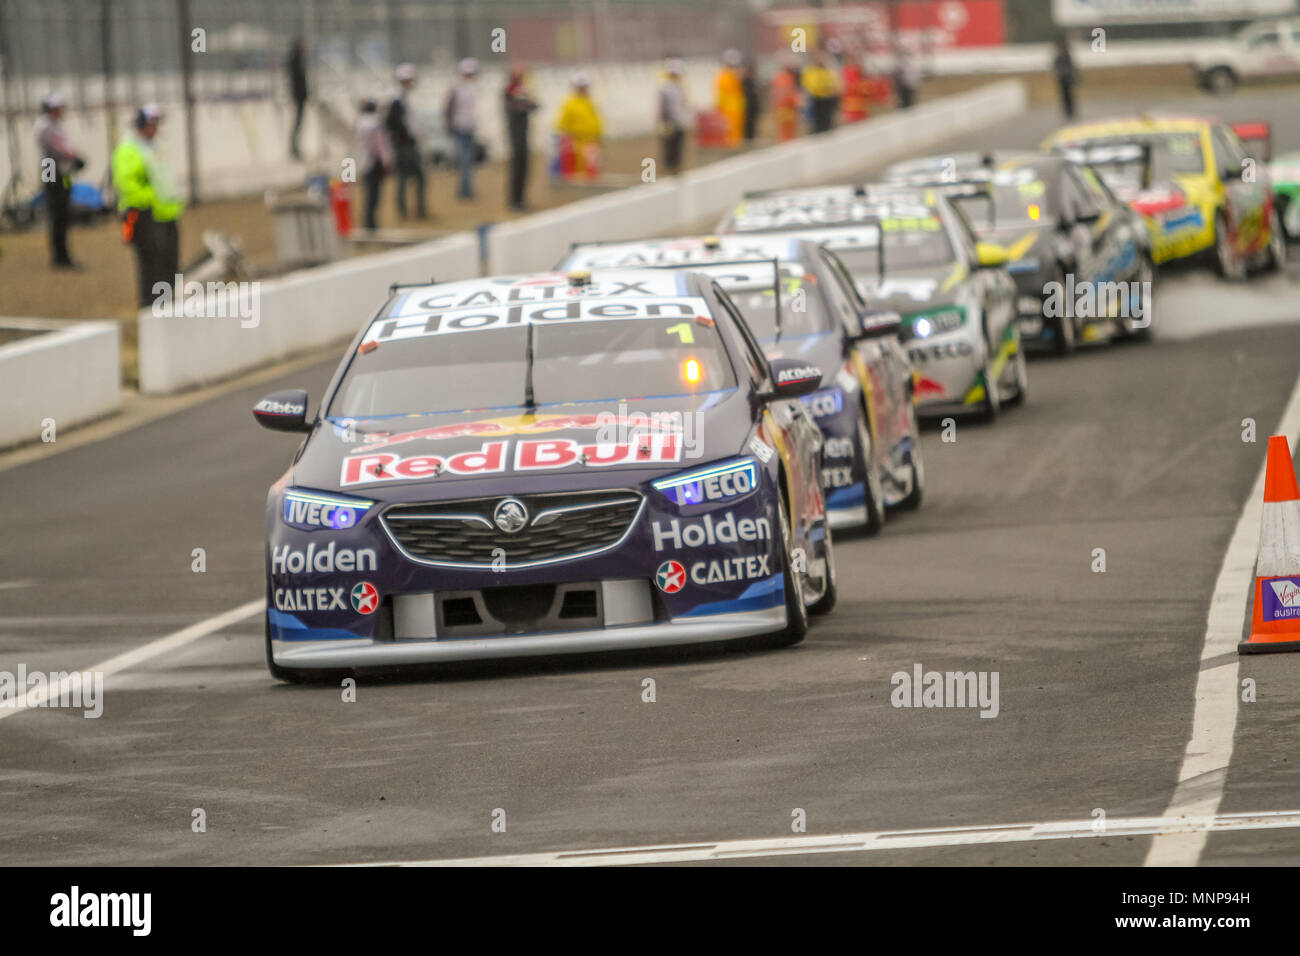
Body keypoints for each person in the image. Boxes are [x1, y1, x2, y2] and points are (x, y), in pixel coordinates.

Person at [111, 105, 184, 308]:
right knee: (151, 263)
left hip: (166, 213)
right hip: (145, 213)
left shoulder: (152, 147)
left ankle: (167, 303)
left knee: (169, 262)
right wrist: (149, 200)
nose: (156, 127)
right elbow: (126, 183)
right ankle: (151, 306)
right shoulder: (129, 148)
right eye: (152, 123)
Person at [34, 93, 85, 270]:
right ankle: (59, 256)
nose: (60, 111)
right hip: (51, 169)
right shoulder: (46, 125)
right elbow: (58, 148)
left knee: (62, 213)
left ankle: (62, 254)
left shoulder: (54, 125)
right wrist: (75, 158)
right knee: (57, 212)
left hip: (60, 171)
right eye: (56, 108)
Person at [386, 63, 427, 218]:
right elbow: (392, 123)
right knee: (413, 177)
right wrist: (405, 137)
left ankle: (409, 209)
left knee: (406, 178)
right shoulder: (398, 98)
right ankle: (412, 210)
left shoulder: (404, 96)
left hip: (406, 143)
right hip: (404, 145)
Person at [503, 64, 538, 210]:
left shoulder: (522, 91)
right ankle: (514, 201)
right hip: (515, 136)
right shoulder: (509, 91)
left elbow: (534, 105)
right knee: (516, 170)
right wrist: (525, 105)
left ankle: (521, 199)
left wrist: (527, 103)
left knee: (524, 169)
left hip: (523, 135)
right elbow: (516, 108)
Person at [555, 73, 602, 180]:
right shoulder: (570, 104)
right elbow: (563, 125)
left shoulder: (589, 102)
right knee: (578, 168)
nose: (584, 89)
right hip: (577, 140)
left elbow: (596, 120)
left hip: (591, 140)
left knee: (591, 167)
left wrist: (598, 135)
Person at [444, 57, 479, 201]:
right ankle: (464, 190)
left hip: (469, 127)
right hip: (460, 127)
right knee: (464, 160)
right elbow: (448, 109)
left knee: (468, 161)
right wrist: (449, 126)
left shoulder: (471, 88)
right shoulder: (457, 89)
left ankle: (466, 189)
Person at [357, 99, 391, 231]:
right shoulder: (375, 124)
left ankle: (367, 222)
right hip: (374, 162)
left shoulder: (359, 123)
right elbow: (379, 145)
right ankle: (371, 224)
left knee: (367, 195)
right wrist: (386, 161)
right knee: (374, 195)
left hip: (363, 162)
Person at [657, 58, 691, 176]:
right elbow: (663, 108)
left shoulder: (679, 88)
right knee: (669, 146)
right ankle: (669, 168)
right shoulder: (665, 89)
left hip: (680, 121)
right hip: (671, 122)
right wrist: (665, 122)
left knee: (678, 146)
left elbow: (683, 105)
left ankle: (676, 167)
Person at [802, 50, 841, 134]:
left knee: (827, 115)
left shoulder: (827, 70)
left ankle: (828, 128)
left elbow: (832, 81)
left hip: (827, 96)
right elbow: (810, 83)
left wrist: (829, 88)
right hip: (816, 97)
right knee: (818, 116)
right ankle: (819, 130)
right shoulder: (811, 70)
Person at [714, 49, 745, 147]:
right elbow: (721, 95)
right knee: (729, 132)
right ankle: (731, 148)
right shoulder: (724, 76)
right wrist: (719, 108)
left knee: (735, 132)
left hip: (735, 109)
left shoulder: (733, 75)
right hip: (728, 110)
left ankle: (734, 147)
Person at [287, 38, 308, 159]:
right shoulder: (295, 61)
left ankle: (295, 147)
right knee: (297, 123)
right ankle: (294, 148)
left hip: (299, 96)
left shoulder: (297, 60)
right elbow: (298, 81)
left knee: (299, 123)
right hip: (298, 97)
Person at [771, 59, 802, 142]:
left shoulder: (778, 78)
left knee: (785, 129)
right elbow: (789, 93)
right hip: (787, 106)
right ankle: (787, 143)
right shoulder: (788, 79)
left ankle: (785, 142)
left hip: (783, 107)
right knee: (788, 128)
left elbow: (775, 94)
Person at [1054, 36, 1078, 120]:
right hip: (1062, 79)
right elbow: (1056, 67)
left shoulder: (1066, 56)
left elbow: (1071, 67)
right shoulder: (1058, 57)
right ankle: (1067, 112)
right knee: (1064, 96)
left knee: (1070, 96)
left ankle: (1071, 111)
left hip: (1067, 78)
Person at [892, 37, 920, 110]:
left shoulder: (909, 60)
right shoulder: (902, 59)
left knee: (909, 101)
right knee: (905, 101)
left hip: (908, 83)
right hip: (904, 83)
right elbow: (897, 71)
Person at [740, 60, 759, 143]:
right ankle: (746, 140)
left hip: (752, 107)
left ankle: (751, 139)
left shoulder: (752, 82)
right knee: (746, 124)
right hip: (745, 106)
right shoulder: (743, 82)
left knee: (752, 124)